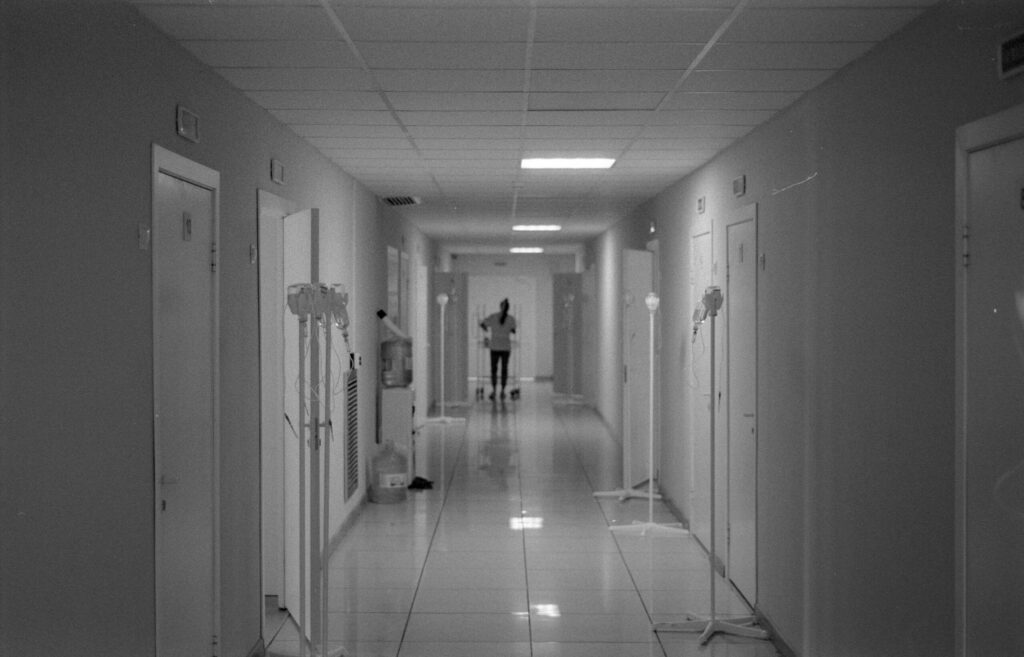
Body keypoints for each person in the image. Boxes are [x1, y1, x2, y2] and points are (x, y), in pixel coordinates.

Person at [479, 298, 516, 400]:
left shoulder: (493, 317)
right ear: (508, 308)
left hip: (494, 347)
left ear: (500, 307)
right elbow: (513, 331)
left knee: (494, 370)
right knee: (504, 370)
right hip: (505, 348)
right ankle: (503, 391)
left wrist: (486, 329)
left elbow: (482, 324)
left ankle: (494, 391)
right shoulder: (511, 319)